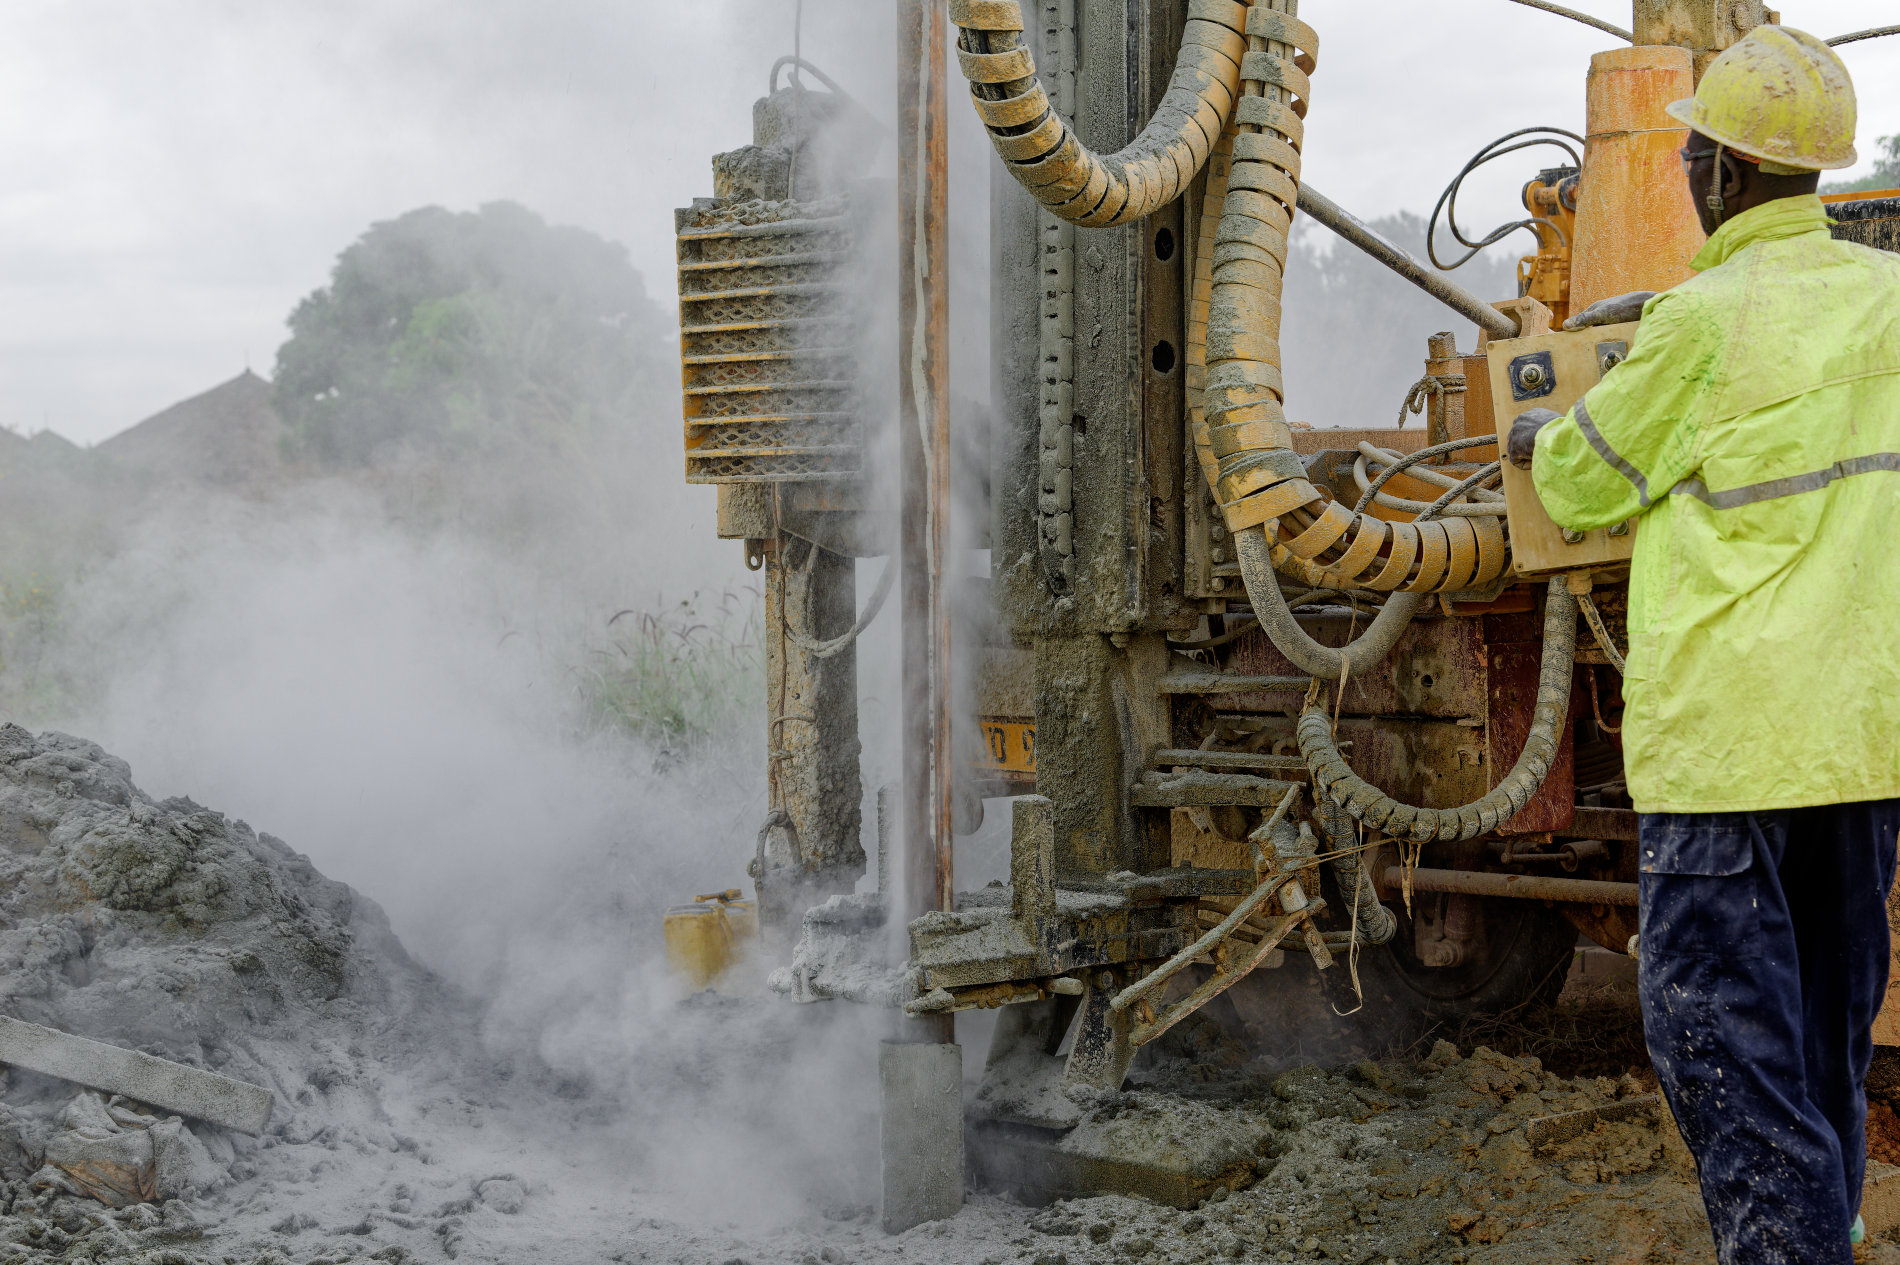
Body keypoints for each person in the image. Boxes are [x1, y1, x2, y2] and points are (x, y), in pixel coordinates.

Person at [1505, 24, 1900, 1265]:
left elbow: (1576, 479)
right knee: (1823, 1037)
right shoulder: (1890, 304)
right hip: (1860, 749)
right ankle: (1823, 1236)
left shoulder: (1698, 321)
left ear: (1719, 177)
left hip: (1731, 759)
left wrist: (1532, 438)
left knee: (1721, 1041)